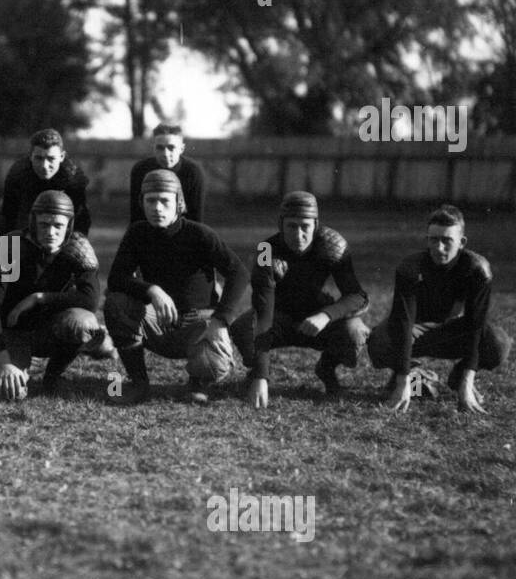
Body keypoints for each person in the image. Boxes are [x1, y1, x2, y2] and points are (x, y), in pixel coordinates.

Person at [105, 170, 249, 404]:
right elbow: (116, 278)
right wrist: (153, 291)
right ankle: (139, 382)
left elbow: (239, 272)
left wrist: (220, 320)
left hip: (199, 324)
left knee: (213, 366)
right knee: (117, 304)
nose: (157, 208)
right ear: (142, 202)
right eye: (150, 200)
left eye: (165, 200)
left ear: (178, 202)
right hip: (159, 322)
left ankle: (198, 382)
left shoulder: (199, 234)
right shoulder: (137, 233)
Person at [367, 204, 512, 414]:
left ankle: (458, 377)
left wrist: (468, 380)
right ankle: (413, 372)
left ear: (461, 243)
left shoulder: (477, 270)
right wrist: (402, 380)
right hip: (416, 330)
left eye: (447, 240)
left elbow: (475, 325)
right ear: (427, 240)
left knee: (498, 343)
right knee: (379, 340)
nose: (439, 247)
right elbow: (403, 323)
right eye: (434, 240)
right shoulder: (410, 268)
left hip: (455, 331)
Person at [231, 191, 369, 408]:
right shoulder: (266, 250)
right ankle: (255, 371)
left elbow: (357, 296)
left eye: (305, 226)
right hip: (279, 317)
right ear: (280, 225)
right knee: (243, 328)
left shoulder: (333, 244)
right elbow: (263, 310)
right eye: (292, 226)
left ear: (316, 224)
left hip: (317, 317)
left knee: (355, 331)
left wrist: (326, 315)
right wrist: (261, 376)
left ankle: (326, 368)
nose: (299, 234)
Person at [0, 189, 112, 401]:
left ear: (69, 225)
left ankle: (53, 375)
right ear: (33, 222)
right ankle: (14, 365)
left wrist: (39, 297)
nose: (51, 232)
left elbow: (90, 300)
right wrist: (3, 362)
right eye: (44, 224)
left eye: (58, 225)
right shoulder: (10, 247)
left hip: (52, 328)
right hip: (13, 331)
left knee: (84, 322)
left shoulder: (77, 248)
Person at [0, 128, 91, 237]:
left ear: (61, 157)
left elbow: (82, 220)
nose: (44, 166)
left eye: (51, 158)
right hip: (27, 219)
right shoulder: (17, 174)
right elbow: (9, 213)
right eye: (39, 158)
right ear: (30, 156)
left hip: (59, 230)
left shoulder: (73, 177)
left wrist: (75, 245)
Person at [128, 123, 206, 225]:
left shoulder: (193, 172)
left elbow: (196, 218)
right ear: (154, 148)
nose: (165, 153)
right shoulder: (140, 170)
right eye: (160, 148)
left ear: (181, 149)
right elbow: (136, 215)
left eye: (171, 147)